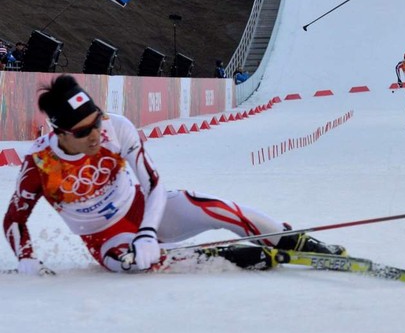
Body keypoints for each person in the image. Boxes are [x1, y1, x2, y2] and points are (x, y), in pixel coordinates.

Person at [4, 75, 346, 275]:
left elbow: (153, 184)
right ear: (60, 133)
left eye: (96, 121)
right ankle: (237, 258)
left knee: (215, 207)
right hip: (106, 238)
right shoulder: (40, 162)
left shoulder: (117, 127)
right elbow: (14, 219)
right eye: (82, 133)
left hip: (145, 209)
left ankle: (296, 242)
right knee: (133, 263)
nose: (95, 135)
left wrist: (149, 230)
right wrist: (27, 259)